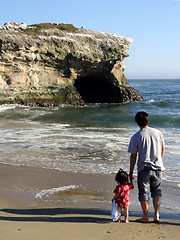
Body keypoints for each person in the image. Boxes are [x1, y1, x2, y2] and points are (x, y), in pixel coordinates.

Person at [128, 111, 165, 223]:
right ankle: (156, 214)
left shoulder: (136, 136)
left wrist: (131, 171)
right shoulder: (158, 132)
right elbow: (163, 149)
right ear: (148, 120)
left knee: (144, 193)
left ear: (137, 122)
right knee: (156, 191)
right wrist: (159, 160)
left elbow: (133, 156)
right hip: (158, 167)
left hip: (144, 167)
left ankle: (145, 216)